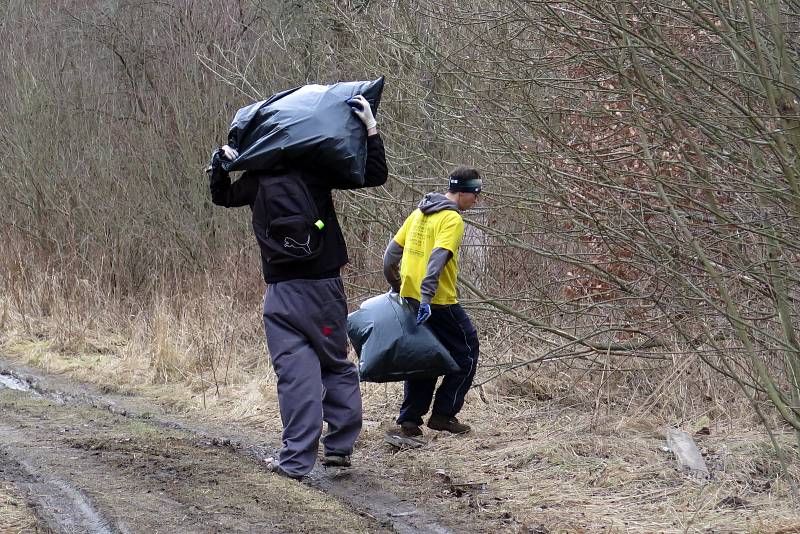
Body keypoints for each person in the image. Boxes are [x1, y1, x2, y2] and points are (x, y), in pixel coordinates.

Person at [208, 95, 388, 479]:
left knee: (295, 376)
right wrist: (370, 128)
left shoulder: (255, 181)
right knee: (335, 365)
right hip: (323, 290)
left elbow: (221, 196)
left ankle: (294, 463)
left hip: (279, 295)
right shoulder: (316, 170)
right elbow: (373, 174)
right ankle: (339, 448)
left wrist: (219, 167)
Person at [383, 167, 481, 437]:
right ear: (462, 192)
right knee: (468, 352)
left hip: (411, 298)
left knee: (423, 355)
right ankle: (444, 414)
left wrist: (399, 287)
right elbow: (438, 260)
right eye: (475, 194)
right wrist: (427, 298)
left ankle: (410, 422)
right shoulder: (452, 219)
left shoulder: (419, 212)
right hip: (437, 301)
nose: (477, 200)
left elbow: (390, 257)